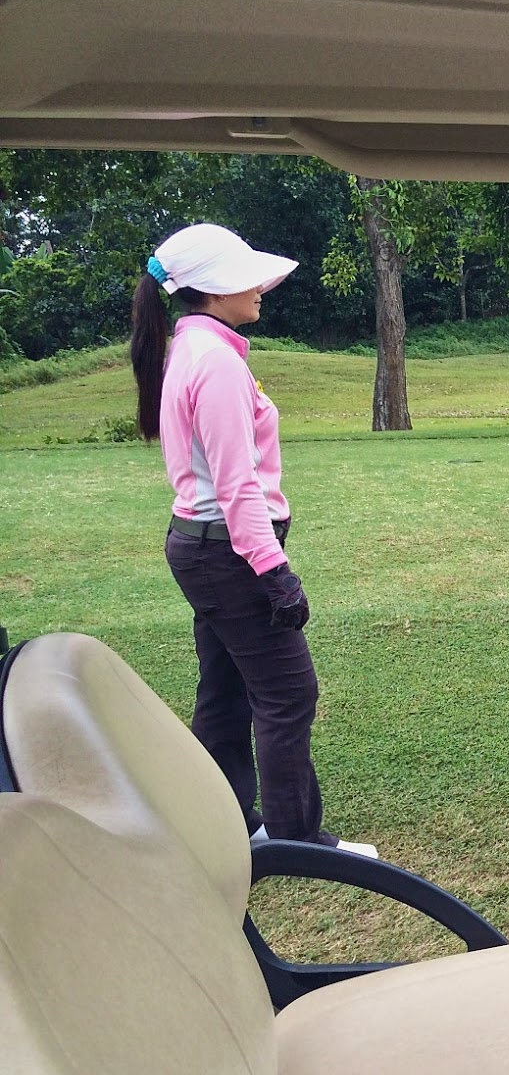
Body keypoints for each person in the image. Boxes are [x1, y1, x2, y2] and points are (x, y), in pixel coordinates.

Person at [129, 223, 376, 856]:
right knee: (288, 692)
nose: (260, 288)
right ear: (214, 289)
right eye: (247, 278)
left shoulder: (196, 348)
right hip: (228, 555)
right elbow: (236, 486)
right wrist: (274, 572)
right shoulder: (213, 363)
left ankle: (226, 825)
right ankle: (298, 842)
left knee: (225, 692)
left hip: (205, 549)